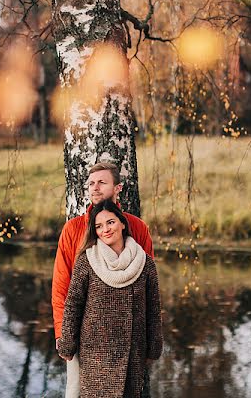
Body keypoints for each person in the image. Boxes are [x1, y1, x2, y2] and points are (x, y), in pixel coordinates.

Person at [52, 161, 154, 397]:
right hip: (82, 332)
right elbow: (61, 287)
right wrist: (62, 333)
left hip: (128, 335)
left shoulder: (137, 228)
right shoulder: (73, 229)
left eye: (102, 183)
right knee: (76, 391)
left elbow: (149, 286)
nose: (95, 188)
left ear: (118, 188)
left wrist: (149, 336)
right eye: (91, 184)